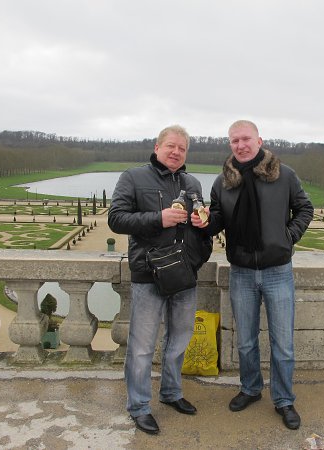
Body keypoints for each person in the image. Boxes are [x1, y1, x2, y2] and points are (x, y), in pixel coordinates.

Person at [191, 120, 314, 430]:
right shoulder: (223, 182)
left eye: (245, 139)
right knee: (245, 341)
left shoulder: (284, 175)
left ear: (259, 141)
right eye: (234, 141)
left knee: (282, 344)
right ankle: (250, 388)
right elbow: (217, 220)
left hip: (278, 271)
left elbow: (305, 209)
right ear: (230, 144)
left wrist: (288, 237)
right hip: (242, 272)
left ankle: (284, 399)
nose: (240, 145)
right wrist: (205, 222)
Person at [108, 125, 213, 435]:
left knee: (179, 340)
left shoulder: (192, 183)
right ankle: (139, 407)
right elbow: (116, 219)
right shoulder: (133, 177)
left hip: (184, 273)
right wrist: (159, 218)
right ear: (157, 147)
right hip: (148, 275)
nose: (176, 152)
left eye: (182, 148)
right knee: (141, 347)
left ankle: (171, 392)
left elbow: (201, 224)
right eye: (171, 146)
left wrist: (202, 224)